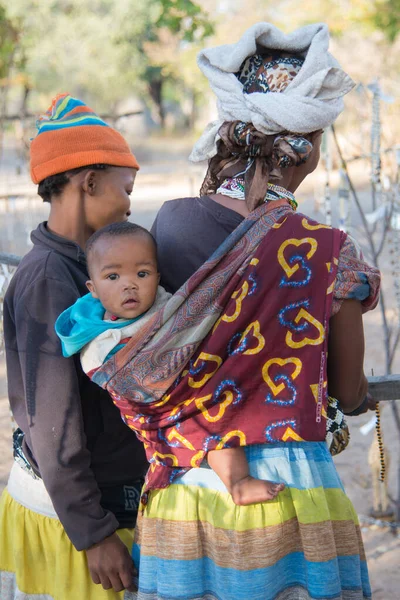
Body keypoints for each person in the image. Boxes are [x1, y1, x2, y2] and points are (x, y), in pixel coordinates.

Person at [87, 23, 380, 600]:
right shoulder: (329, 250)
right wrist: (354, 396)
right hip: (294, 487)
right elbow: (349, 391)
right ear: (309, 144)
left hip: (190, 478)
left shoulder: (171, 223)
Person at [0, 93, 149, 600]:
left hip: (94, 507)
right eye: (125, 188)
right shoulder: (48, 278)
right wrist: (93, 532)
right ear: (89, 182)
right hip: (75, 523)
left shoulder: (88, 268)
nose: (130, 203)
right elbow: (51, 423)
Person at [56, 221, 287, 505]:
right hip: (156, 410)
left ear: (157, 277)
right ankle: (238, 483)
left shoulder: (171, 307)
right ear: (93, 287)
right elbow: (111, 375)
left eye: (142, 274)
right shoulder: (95, 335)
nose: (129, 284)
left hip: (194, 387)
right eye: (113, 277)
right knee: (207, 424)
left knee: (216, 408)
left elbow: (195, 328)